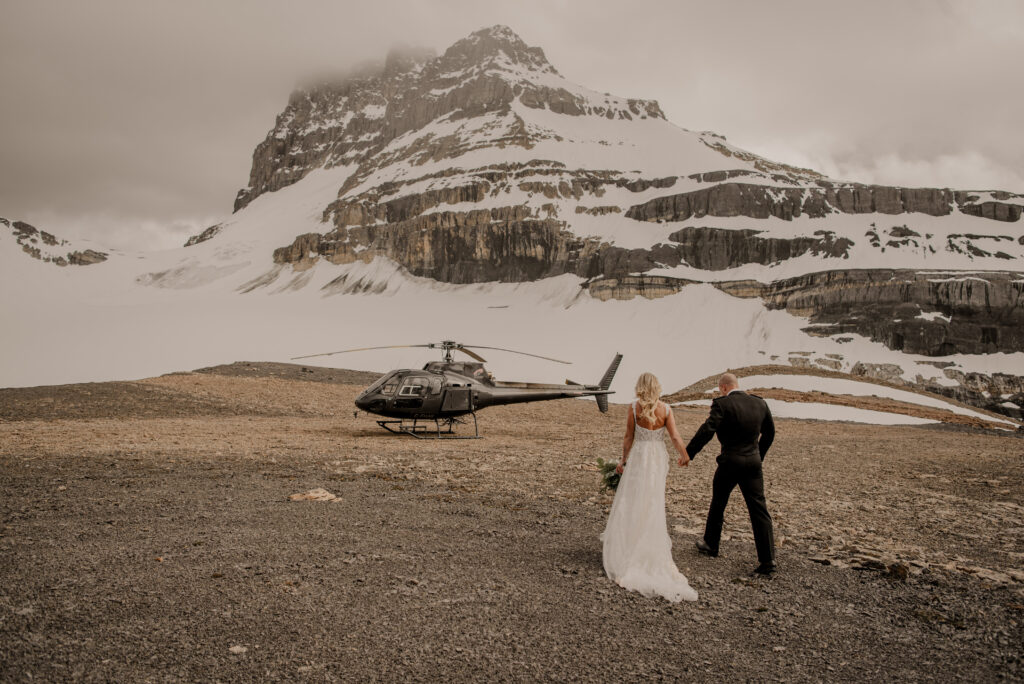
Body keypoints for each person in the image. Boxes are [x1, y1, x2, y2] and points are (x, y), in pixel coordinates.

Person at [602, 373, 698, 602]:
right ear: (657, 388)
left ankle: (628, 548)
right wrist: (684, 456)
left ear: (640, 388)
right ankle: (649, 549)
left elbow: (628, 437)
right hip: (656, 459)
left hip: (639, 457)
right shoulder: (666, 409)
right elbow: (674, 436)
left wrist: (623, 460)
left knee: (633, 499)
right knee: (652, 502)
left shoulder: (634, 408)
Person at [683, 373, 777, 576]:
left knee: (719, 502)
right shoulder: (760, 404)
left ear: (724, 387)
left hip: (729, 462)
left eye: (720, 390)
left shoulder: (723, 404)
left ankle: (711, 544)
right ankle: (768, 559)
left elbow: (707, 430)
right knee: (759, 508)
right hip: (753, 462)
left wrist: (688, 453)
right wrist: (758, 454)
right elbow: (770, 432)